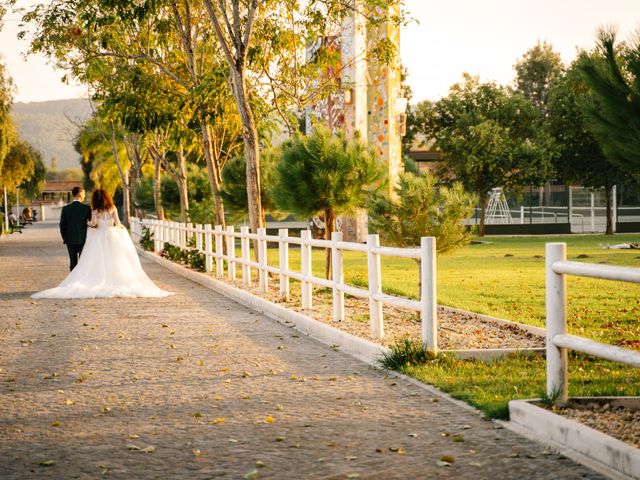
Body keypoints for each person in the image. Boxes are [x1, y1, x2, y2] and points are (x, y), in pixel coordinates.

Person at [32, 189, 172, 299]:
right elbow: (118, 223)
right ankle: (117, 280)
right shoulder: (113, 209)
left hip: (99, 236)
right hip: (112, 236)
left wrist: (87, 224)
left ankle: (92, 280)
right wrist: (121, 229)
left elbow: (93, 223)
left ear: (95, 199)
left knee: (96, 261)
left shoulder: (95, 210)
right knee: (114, 261)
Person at [58, 186, 92, 270]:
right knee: (83, 262)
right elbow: (92, 223)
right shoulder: (86, 208)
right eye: (84, 193)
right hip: (83, 239)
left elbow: (62, 225)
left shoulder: (65, 209)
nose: (84, 195)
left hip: (70, 239)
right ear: (80, 194)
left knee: (73, 262)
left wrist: (65, 237)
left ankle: (72, 281)